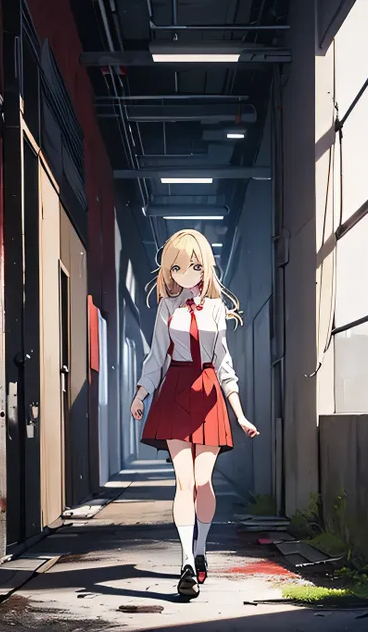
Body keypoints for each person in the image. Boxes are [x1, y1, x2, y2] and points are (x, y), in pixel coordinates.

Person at [130, 229, 259, 599]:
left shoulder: (217, 309)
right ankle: (186, 560)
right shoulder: (166, 308)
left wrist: (240, 413)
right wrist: (141, 393)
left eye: (195, 265)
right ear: (170, 270)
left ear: (206, 268)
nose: (187, 273)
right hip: (174, 392)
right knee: (183, 482)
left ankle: (201, 548)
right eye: (179, 266)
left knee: (204, 481)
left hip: (208, 395)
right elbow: (156, 356)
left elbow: (224, 363)